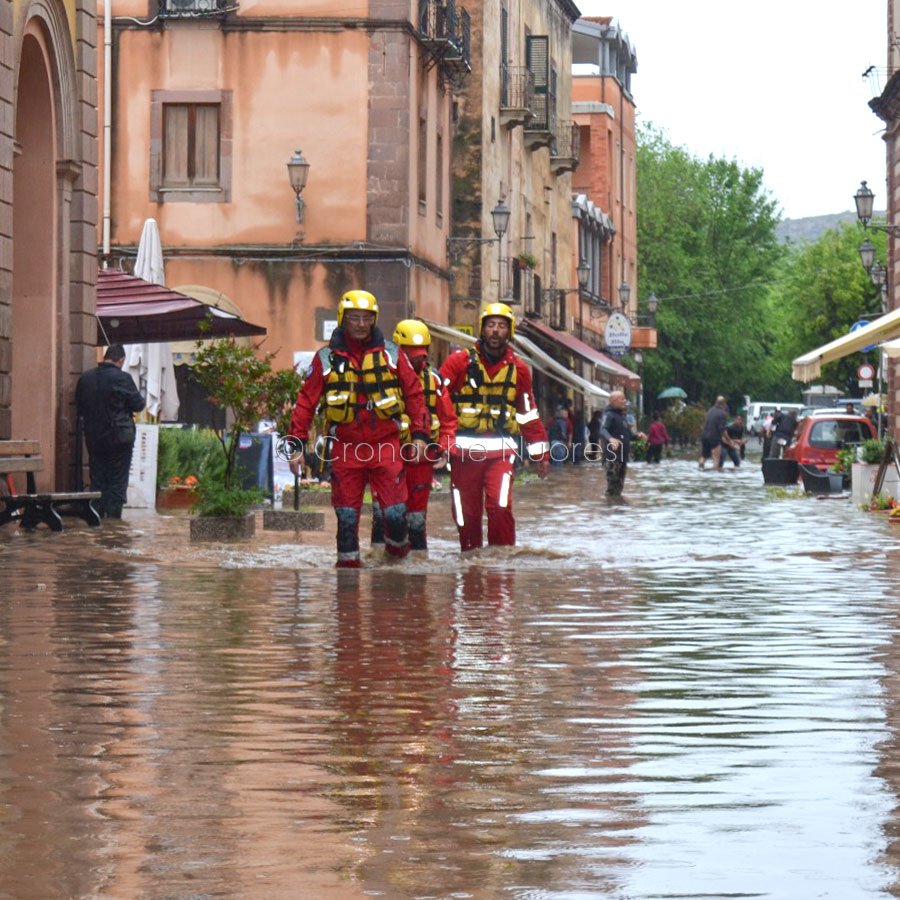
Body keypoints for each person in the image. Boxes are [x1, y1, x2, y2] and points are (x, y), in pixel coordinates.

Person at [287, 290, 429, 568]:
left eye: (367, 318)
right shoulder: (326, 359)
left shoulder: (391, 354)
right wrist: (296, 446)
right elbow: (306, 402)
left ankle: (396, 565)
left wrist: (420, 436)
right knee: (347, 517)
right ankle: (348, 585)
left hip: (385, 444)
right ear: (343, 319)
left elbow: (414, 395)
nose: (361, 324)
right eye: (355, 318)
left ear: (374, 320)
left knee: (397, 513)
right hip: (346, 448)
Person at [440, 302, 550, 551]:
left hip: (500, 454)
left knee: (499, 507)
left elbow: (527, 414)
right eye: (491, 325)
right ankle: (471, 563)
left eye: (501, 326)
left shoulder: (519, 370)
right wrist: (440, 441)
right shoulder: (458, 363)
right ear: (482, 329)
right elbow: (435, 398)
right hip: (463, 454)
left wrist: (539, 454)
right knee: (465, 514)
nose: (496, 331)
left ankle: (501, 562)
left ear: (509, 332)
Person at [370, 319, 456, 551]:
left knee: (417, 519)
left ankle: (417, 568)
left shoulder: (435, 381)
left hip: (422, 460)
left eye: (422, 352)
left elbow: (448, 421)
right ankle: (381, 568)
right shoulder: (381, 377)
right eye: (410, 353)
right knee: (384, 514)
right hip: (388, 459)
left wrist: (445, 449)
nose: (418, 358)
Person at [75, 343, 146, 518]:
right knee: (117, 482)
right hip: (119, 438)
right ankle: (113, 526)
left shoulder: (85, 378)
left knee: (98, 480)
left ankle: (97, 520)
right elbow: (138, 405)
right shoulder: (123, 378)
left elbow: (79, 407)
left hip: (94, 439)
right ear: (121, 360)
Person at [598, 390, 646, 496]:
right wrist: (610, 439)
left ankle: (617, 509)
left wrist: (637, 436)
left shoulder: (621, 417)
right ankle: (610, 508)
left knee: (619, 488)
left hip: (622, 457)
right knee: (612, 486)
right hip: (612, 456)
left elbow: (627, 434)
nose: (625, 401)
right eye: (622, 399)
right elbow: (602, 430)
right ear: (614, 401)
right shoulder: (608, 415)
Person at [699, 396, 729, 469]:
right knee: (716, 459)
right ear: (724, 404)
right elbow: (722, 429)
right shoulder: (722, 414)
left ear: (716, 402)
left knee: (704, 456)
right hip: (714, 438)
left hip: (704, 437)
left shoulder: (710, 411)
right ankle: (714, 476)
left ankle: (700, 469)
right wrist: (729, 439)